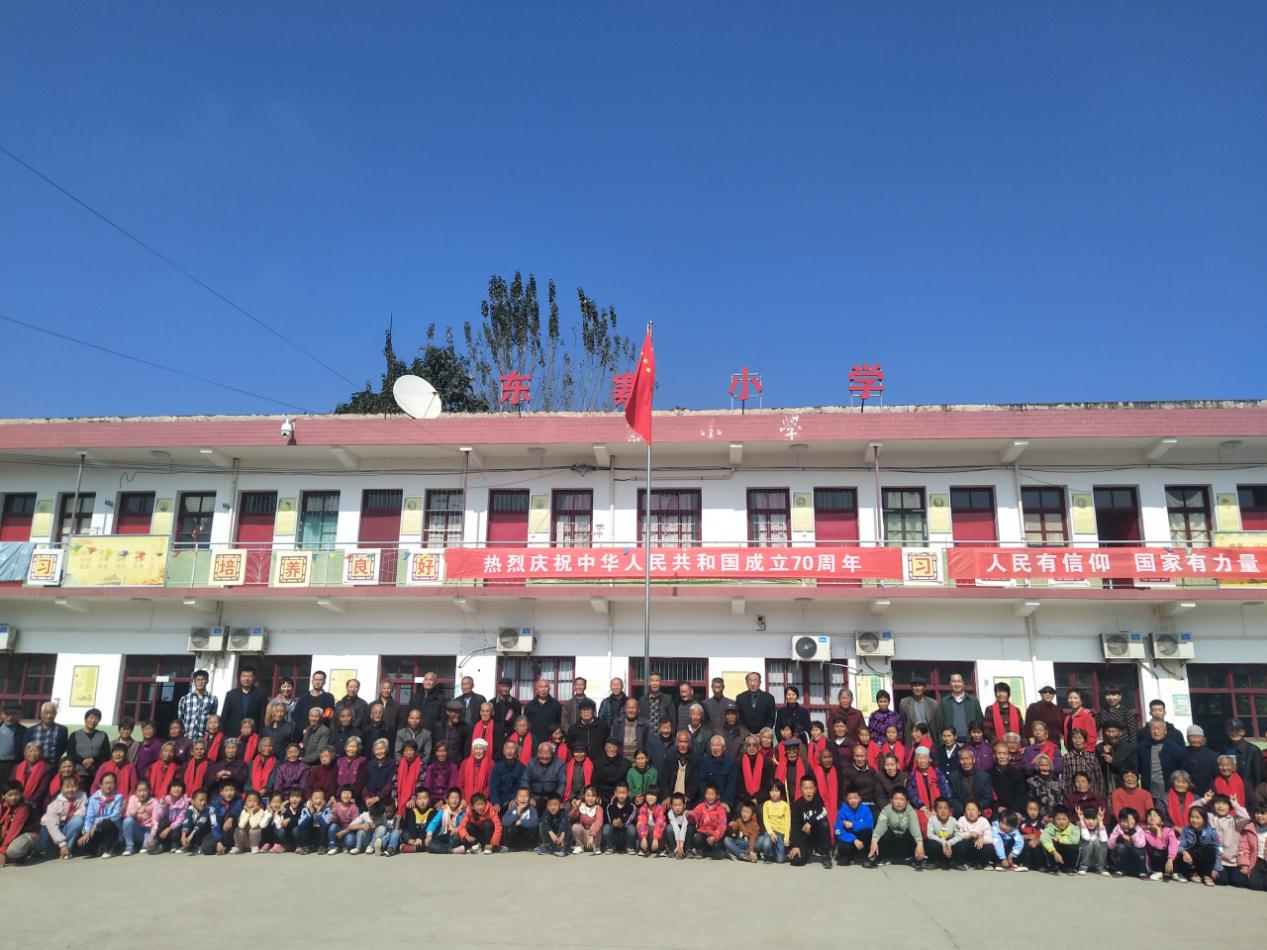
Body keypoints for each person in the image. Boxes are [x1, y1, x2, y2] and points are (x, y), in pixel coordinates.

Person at [869, 788, 925, 868]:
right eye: (896, 799)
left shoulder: (911, 811)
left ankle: (914, 858)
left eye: (902, 799)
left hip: (905, 842)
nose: (899, 802)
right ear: (891, 800)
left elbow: (914, 827)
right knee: (882, 833)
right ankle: (883, 857)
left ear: (907, 802)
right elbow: (881, 825)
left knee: (917, 835)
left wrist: (920, 844)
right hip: (891, 841)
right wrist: (874, 840)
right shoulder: (886, 810)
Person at [1137, 719, 1185, 811]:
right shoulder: (1141, 747)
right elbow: (1138, 768)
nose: (1156, 732)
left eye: (1159, 729)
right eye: (1153, 729)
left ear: (1165, 731)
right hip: (1148, 791)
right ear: (1149, 731)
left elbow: (1180, 769)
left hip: (1169, 791)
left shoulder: (1175, 748)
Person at [78, 770, 124, 858]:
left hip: (112, 828)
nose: (109, 786)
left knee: (106, 823)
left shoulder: (118, 797)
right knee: (83, 845)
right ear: (100, 785)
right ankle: (100, 847)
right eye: (106, 783)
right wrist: (87, 832)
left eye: (111, 783)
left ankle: (110, 849)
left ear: (115, 785)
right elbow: (89, 817)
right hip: (97, 830)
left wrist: (98, 821)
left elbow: (116, 816)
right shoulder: (93, 799)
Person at [1177, 805, 1220, 885]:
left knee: (1210, 848)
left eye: (1197, 818)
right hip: (1192, 863)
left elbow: (1218, 850)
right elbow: (1180, 845)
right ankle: (1193, 873)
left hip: (1204, 863)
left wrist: (1215, 868)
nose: (1194, 820)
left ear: (1204, 819)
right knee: (1185, 852)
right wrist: (1184, 852)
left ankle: (1207, 876)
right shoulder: (1186, 829)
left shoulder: (1211, 831)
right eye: (1192, 817)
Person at [220, 665, 266, 738]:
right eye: (244, 676)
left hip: (252, 735)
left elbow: (262, 717)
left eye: (249, 676)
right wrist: (223, 735)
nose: (246, 679)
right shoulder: (231, 694)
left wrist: (260, 736)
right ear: (240, 677)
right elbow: (224, 716)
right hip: (233, 734)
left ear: (254, 678)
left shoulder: (260, 694)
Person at [834, 786, 875, 867]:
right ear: (846, 799)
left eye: (855, 798)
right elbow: (838, 831)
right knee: (843, 847)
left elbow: (870, 825)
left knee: (868, 831)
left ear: (859, 798)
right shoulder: (842, 811)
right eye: (850, 798)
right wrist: (853, 839)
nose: (853, 800)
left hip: (861, 840)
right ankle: (847, 857)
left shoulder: (865, 809)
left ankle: (863, 857)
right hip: (849, 840)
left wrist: (853, 824)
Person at [936, 674, 983, 744]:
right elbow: (940, 724)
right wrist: (942, 741)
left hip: (970, 741)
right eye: (953, 681)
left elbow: (980, 721)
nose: (956, 684)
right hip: (951, 742)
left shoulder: (973, 701)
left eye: (959, 681)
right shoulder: (944, 702)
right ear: (950, 684)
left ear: (963, 683)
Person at [119, 778, 161, 856]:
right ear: (135, 791)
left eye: (144, 790)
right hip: (136, 829)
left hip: (147, 830)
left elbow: (155, 821)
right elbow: (128, 814)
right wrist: (137, 811)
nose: (142, 793)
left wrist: (152, 835)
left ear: (149, 791)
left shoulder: (154, 802)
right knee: (127, 820)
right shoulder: (133, 798)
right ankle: (129, 847)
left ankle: (143, 844)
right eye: (139, 791)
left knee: (146, 847)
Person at [67, 708, 111, 782]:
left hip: (97, 773)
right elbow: (70, 754)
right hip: (78, 773)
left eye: (96, 719)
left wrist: (93, 760)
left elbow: (105, 753)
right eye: (91, 718)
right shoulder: (74, 735)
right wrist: (83, 761)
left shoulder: (103, 735)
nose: (93, 721)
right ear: (85, 719)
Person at [948, 747, 993, 818]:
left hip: (979, 811)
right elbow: (953, 797)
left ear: (973, 760)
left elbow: (987, 797)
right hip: (961, 813)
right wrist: (964, 811)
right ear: (959, 761)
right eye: (962, 759)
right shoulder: (953, 776)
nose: (965, 762)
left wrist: (975, 810)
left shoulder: (984, 776)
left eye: (968, 759)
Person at [1063, 728, 1105, 802]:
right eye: (1075, 738)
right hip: (1073, 797)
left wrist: (1099, 797)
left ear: (1085, 740)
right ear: (1071, 741)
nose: (1077, 741)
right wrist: (1067, 797)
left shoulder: (1092, 758)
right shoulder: (1066, 758)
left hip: (1091, 796)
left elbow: (1099, 779)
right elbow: (1064, 779)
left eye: (1080, 738)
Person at [1225, 718, 1266, 793]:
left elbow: (1259, 775)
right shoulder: (1224, 749)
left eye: (1238, 730)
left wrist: (1256, 794)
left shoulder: (1253, 750)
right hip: (1229, 789)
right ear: (1227, 732)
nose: (1234, 733)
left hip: (1248, 791)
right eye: (1231, 730)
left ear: (1243, 732)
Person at [1233, 801, 1267, 890]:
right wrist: (1244, 864)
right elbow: (1243, 848)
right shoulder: (1249, 829)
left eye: (1263, 813)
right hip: (1256, 861)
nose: (1259, 816)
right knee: (1255, 886)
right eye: (1257, 813)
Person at [924, 797, 966, 870]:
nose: (943, 811)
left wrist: (949, 843)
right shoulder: (932, 819)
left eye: (945, 808)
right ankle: (933, 861)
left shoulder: (953, 820)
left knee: (962, 844)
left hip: (950, 848)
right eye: (940, 808)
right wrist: (943, 842)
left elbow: (959, 835)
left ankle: (955, 862)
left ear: (949, 810)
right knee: (931, 844)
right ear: (936, 810)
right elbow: (929, 835)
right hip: (939, 847)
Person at [690, 782, 729, 859]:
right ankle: (708, 853)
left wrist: (715, 837)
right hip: (703, 834)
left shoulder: (720, 809)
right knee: (697, 838)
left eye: (712, 794)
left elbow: (722, 826)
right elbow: (694, 817)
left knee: (717, 845)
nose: (709, 796)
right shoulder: (701, 806)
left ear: (717, 796)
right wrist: (690, 815)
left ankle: (704, 853)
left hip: (714, 836)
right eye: (707, 794)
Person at [1097, 722, 1138, 792]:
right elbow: (1096, 768)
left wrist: (1113, 761)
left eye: (1113, 731)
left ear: (1120, 733)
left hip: (1123, 785)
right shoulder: (1099, 747)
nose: (1111, 735)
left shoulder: (1129, 748)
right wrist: (1103, 754)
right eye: (1108, 731)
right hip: (1105, 786)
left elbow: (1132, 768)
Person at [178, 669, 218, 741]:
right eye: (198, 680)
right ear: (194, 681)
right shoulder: (185, 699)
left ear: (207, 681)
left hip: (204, 738)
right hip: (186, 738)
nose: (200, 682)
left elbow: (212, 719)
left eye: (203, 680)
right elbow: (180, 719)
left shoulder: (213, 699)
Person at [523, 742, 564, 810]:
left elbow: (562, 783)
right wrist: (528, 797)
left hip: (551, 798)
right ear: (538, 754)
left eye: (548, 753)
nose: (545, 757)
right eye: (542, 753)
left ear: (552, 754)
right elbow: (525, 781)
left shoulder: (560, 764)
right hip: (534, 797)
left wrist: (555, 799)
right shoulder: (531, 763)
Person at [699, 735, 737, 809]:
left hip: (724, 802)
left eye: (718, 745)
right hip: (707, 800)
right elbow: (702, 782)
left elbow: (731, 785)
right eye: (713, 745)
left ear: (724, 748)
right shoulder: (704, 762)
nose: (715, 748)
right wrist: (707, 800)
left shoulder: (730, 763)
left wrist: (724, 802)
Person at [1108, 806, 1147, 878]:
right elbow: (1110, 845)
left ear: (1135, 822)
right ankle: (1120, 870)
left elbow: (1140, 844)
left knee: (1139, 850)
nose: (1125, 824)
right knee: (1120, 847)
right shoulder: (1118, 828)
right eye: (1123, 821)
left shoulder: (1138, 830)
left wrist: (1132, 830)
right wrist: (1119, 838)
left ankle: (1142, 872)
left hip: (1137, 860)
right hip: (1123, 860)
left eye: (1128, 822)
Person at [1142, 806, 1180, 881]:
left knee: (1174, 849)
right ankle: (1157, 872)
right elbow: (1158, 846)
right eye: (1149, 815)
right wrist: (1158, 831)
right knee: (1156, 850)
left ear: (1162, 822)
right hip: (1155, 861)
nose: (1152, 817)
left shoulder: (1169, 831)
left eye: (1155, 815)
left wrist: (1170, 859)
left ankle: (1175, 872)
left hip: (1169, 861)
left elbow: (1174, 844)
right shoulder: (1147, 833)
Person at [1039, 805, 1080, 874]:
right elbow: (1043, 837)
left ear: (1069, 819)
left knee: (1074, 846)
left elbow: (1075, 839)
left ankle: (1071, 867)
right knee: (1048, 842)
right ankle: (1054, 866)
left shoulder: (1074, 828)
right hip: (1056, 855)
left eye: (1064, 819)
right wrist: (1054, 852)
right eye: (1058, 819)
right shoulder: (1051, 826)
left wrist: (1059, 839)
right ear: (1054, 819)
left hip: (1067, 855)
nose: (1061, 822)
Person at [661, 731, 699, 803]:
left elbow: (695, 782)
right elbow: (663, 779)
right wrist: (667, 796)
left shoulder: (695, 759)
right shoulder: (669, 757)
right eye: (680, 742)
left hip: (687, 798)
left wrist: (687, 797)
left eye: (685, 742)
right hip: (671, 797)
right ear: (676, 743)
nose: (682, 745)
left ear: (690, 743)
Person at [897, 678, 938, 745]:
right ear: (911, 687)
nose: (917, 688)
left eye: (920, 686)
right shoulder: (904, 703)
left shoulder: (933, 703)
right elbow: (902, 723)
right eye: (915, 686)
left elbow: (937, 724)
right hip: (912, 740)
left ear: (924, 688)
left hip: (929, 739)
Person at [522, 680, 562, 748]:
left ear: (549, 689)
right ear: (536, 690)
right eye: (540, 687)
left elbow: (559, 723)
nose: (543, 689)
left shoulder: (556, 705)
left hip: (551, 741)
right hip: (533, 741)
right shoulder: (529, 706)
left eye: (545, 687)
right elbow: (526, 724)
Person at [179, 788, 219, 855]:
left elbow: (201, 823)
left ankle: (200, 846)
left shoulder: (210, 809)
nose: (203, 803)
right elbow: (186, 822)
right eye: (201, 800)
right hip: (196, 833)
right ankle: (191, 846)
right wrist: (183, 837)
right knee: (182, 828)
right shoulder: (190, 809)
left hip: (209, 833)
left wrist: (191, 836)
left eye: (205, 800)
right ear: (193, 801)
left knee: (207, 849)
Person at [14, 742, 50, 815]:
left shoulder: (47, 768)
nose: (33, 754)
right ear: (25, 753)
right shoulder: (17, 767)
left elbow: (42, 790)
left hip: (35, 802)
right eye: (30, 751)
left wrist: (28, 803)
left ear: (41, 753)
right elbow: (12, 784)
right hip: (16, 799)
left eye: (36, 751)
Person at [409, 670, 448, 735]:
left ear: (435, 682)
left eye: (430, 680)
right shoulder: (415, 697)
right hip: (416, 732)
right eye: (426, 680)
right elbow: (408, 714)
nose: (428, 682)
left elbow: (443, 719)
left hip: (433, 733)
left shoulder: (441, 699)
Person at [569, 784, 604, 854]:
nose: (590, 798)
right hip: (584, 836)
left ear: (597, 797)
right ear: (584, 796)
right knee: (575, 826)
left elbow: (599, 822)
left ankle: (596, 847)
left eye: (593, 796)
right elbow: (571, 817)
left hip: (594, 839)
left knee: (596, 826)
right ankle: (580, 846)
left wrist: (592, 835)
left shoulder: (598, 808)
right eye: (588, 796)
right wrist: (576, 807)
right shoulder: (581, 806)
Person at [1183, 724, 1219, 794]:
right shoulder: (1181, 753)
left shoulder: (1212, 755)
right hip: (1187, 790)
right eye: (1193, 737)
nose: (1196, 740)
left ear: (1202, 738)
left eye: (1198, 737)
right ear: (1187, 738)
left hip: (1207, 792)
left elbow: (1216, 776)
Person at [501, 787, 539, 852]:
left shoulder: (531, 809)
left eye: (526, 796)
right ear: (516, 799)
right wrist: (516, 814)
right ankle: (512, 846)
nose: (523, 799)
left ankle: (529, 846)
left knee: (534, 828)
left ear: (530, 799)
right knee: (509, 827)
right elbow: (504, 821)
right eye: (520, 796)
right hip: (515, 838)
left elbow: (535, 821)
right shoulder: (513, 808)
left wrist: (521, 822)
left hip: (527, 838)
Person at [724, 798, 762, 863]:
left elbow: (753, 839)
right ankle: (743, 854)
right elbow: (733, 832)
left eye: (747, 812)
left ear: (753, 814)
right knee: (726, 840)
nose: (744, 814)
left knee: (760, 840)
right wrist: (730, 827)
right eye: (743, 811)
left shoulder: (754, 825)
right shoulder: (739, 821)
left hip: (750, 844)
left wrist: (751, 851)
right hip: (740, 843)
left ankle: (740, 853)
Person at [602, 782, 636, 853]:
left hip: (625, 834)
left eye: (624, 793)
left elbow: (630, 819)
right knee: (606, 827)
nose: (621, 795)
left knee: (632, 828)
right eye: (619, 793)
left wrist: (622, 824)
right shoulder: (610, 806)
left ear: (628, 793)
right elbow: (610, 819)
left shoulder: (632, 807)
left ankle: (629, 847)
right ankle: (610, 847)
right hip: (614, 834)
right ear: (615, 793)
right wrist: (614, 822)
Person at [398, 789, 435, 854]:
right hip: (413, 837)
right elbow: (409, 825)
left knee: (430, 839)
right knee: (404, 832)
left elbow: (428, 827)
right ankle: (412, 845)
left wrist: (420, 838)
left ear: (429, 800)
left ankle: (414, 848)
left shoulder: (432, 812)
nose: (422, 801)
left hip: (423, 837)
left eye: (425, 798)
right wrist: (411, 839)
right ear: (416, 801)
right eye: (420, 799)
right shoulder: (412, 811)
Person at [1077, 804, 1109, 876]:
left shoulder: (1100, 827)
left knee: (1099, 841)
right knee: (1089, 841)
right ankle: (1083, 867)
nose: (1091, 822)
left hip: (1098, 861)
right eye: (1087, 818)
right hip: (1084, 860)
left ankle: (1101, 868)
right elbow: (1086, 838)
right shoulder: (1080, 827)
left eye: (1094, 819)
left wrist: (1100, 822)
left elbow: (1104, 841)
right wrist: (1082, 821)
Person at [232, 789, 268, 854]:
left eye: (255, 801)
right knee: (238, 829)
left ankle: (254, 847)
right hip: (244, 840)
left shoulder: (261, 812)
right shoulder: (243, 811)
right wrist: (248, 813)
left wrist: (251, 813)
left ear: (259, 803)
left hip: (255, 841)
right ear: (245, 802)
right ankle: (238, 847)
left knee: (255, 829)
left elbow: (254, 825)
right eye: (249, 801)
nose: (252, 803)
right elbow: (241, 825)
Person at [491, 677, 522, 745]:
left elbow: (518, 721)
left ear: (511, 687)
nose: (505, 689)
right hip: (495, 736)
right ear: (499, 687)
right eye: (503, 686)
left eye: (507, 686)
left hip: (511, 736)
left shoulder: (516, 703)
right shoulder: (492, 703)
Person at [635, 786, 666, 856]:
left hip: (657, 834)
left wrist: (655, 838)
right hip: (646, 833)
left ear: (657, 797)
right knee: (639, 839)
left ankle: (661, 849)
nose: (651, 797)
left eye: (653, 795)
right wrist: (643, 837)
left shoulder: (660, 808)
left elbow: (660, 824)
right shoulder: (643, 808)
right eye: (649, 795)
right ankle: (645, 849)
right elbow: (641, 822)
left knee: (663, 830)